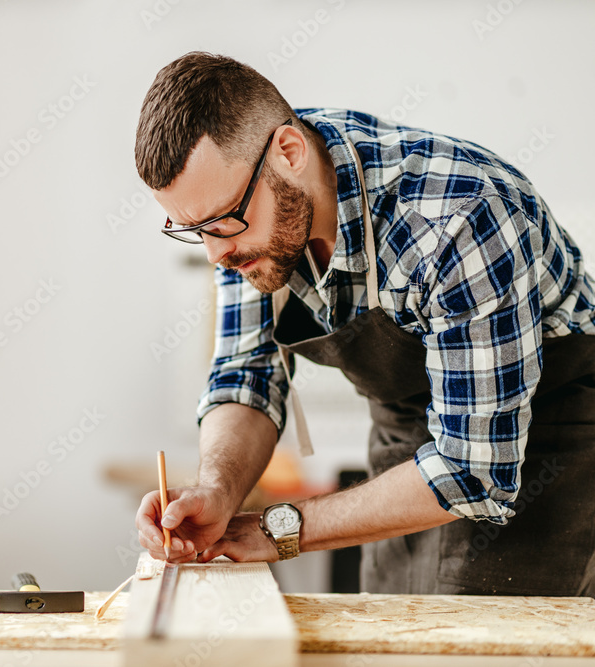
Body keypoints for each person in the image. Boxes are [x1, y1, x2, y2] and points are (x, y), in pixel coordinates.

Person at [133, 52, 595, 596]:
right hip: (406, 443)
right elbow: (247, 377)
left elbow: (474, 472)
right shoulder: (248, 198)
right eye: (193, 230)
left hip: (543, 449)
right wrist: (216, 491)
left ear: (290, 152)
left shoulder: (456, 219)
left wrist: (277, 530)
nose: (215, 254)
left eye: (223, 222)